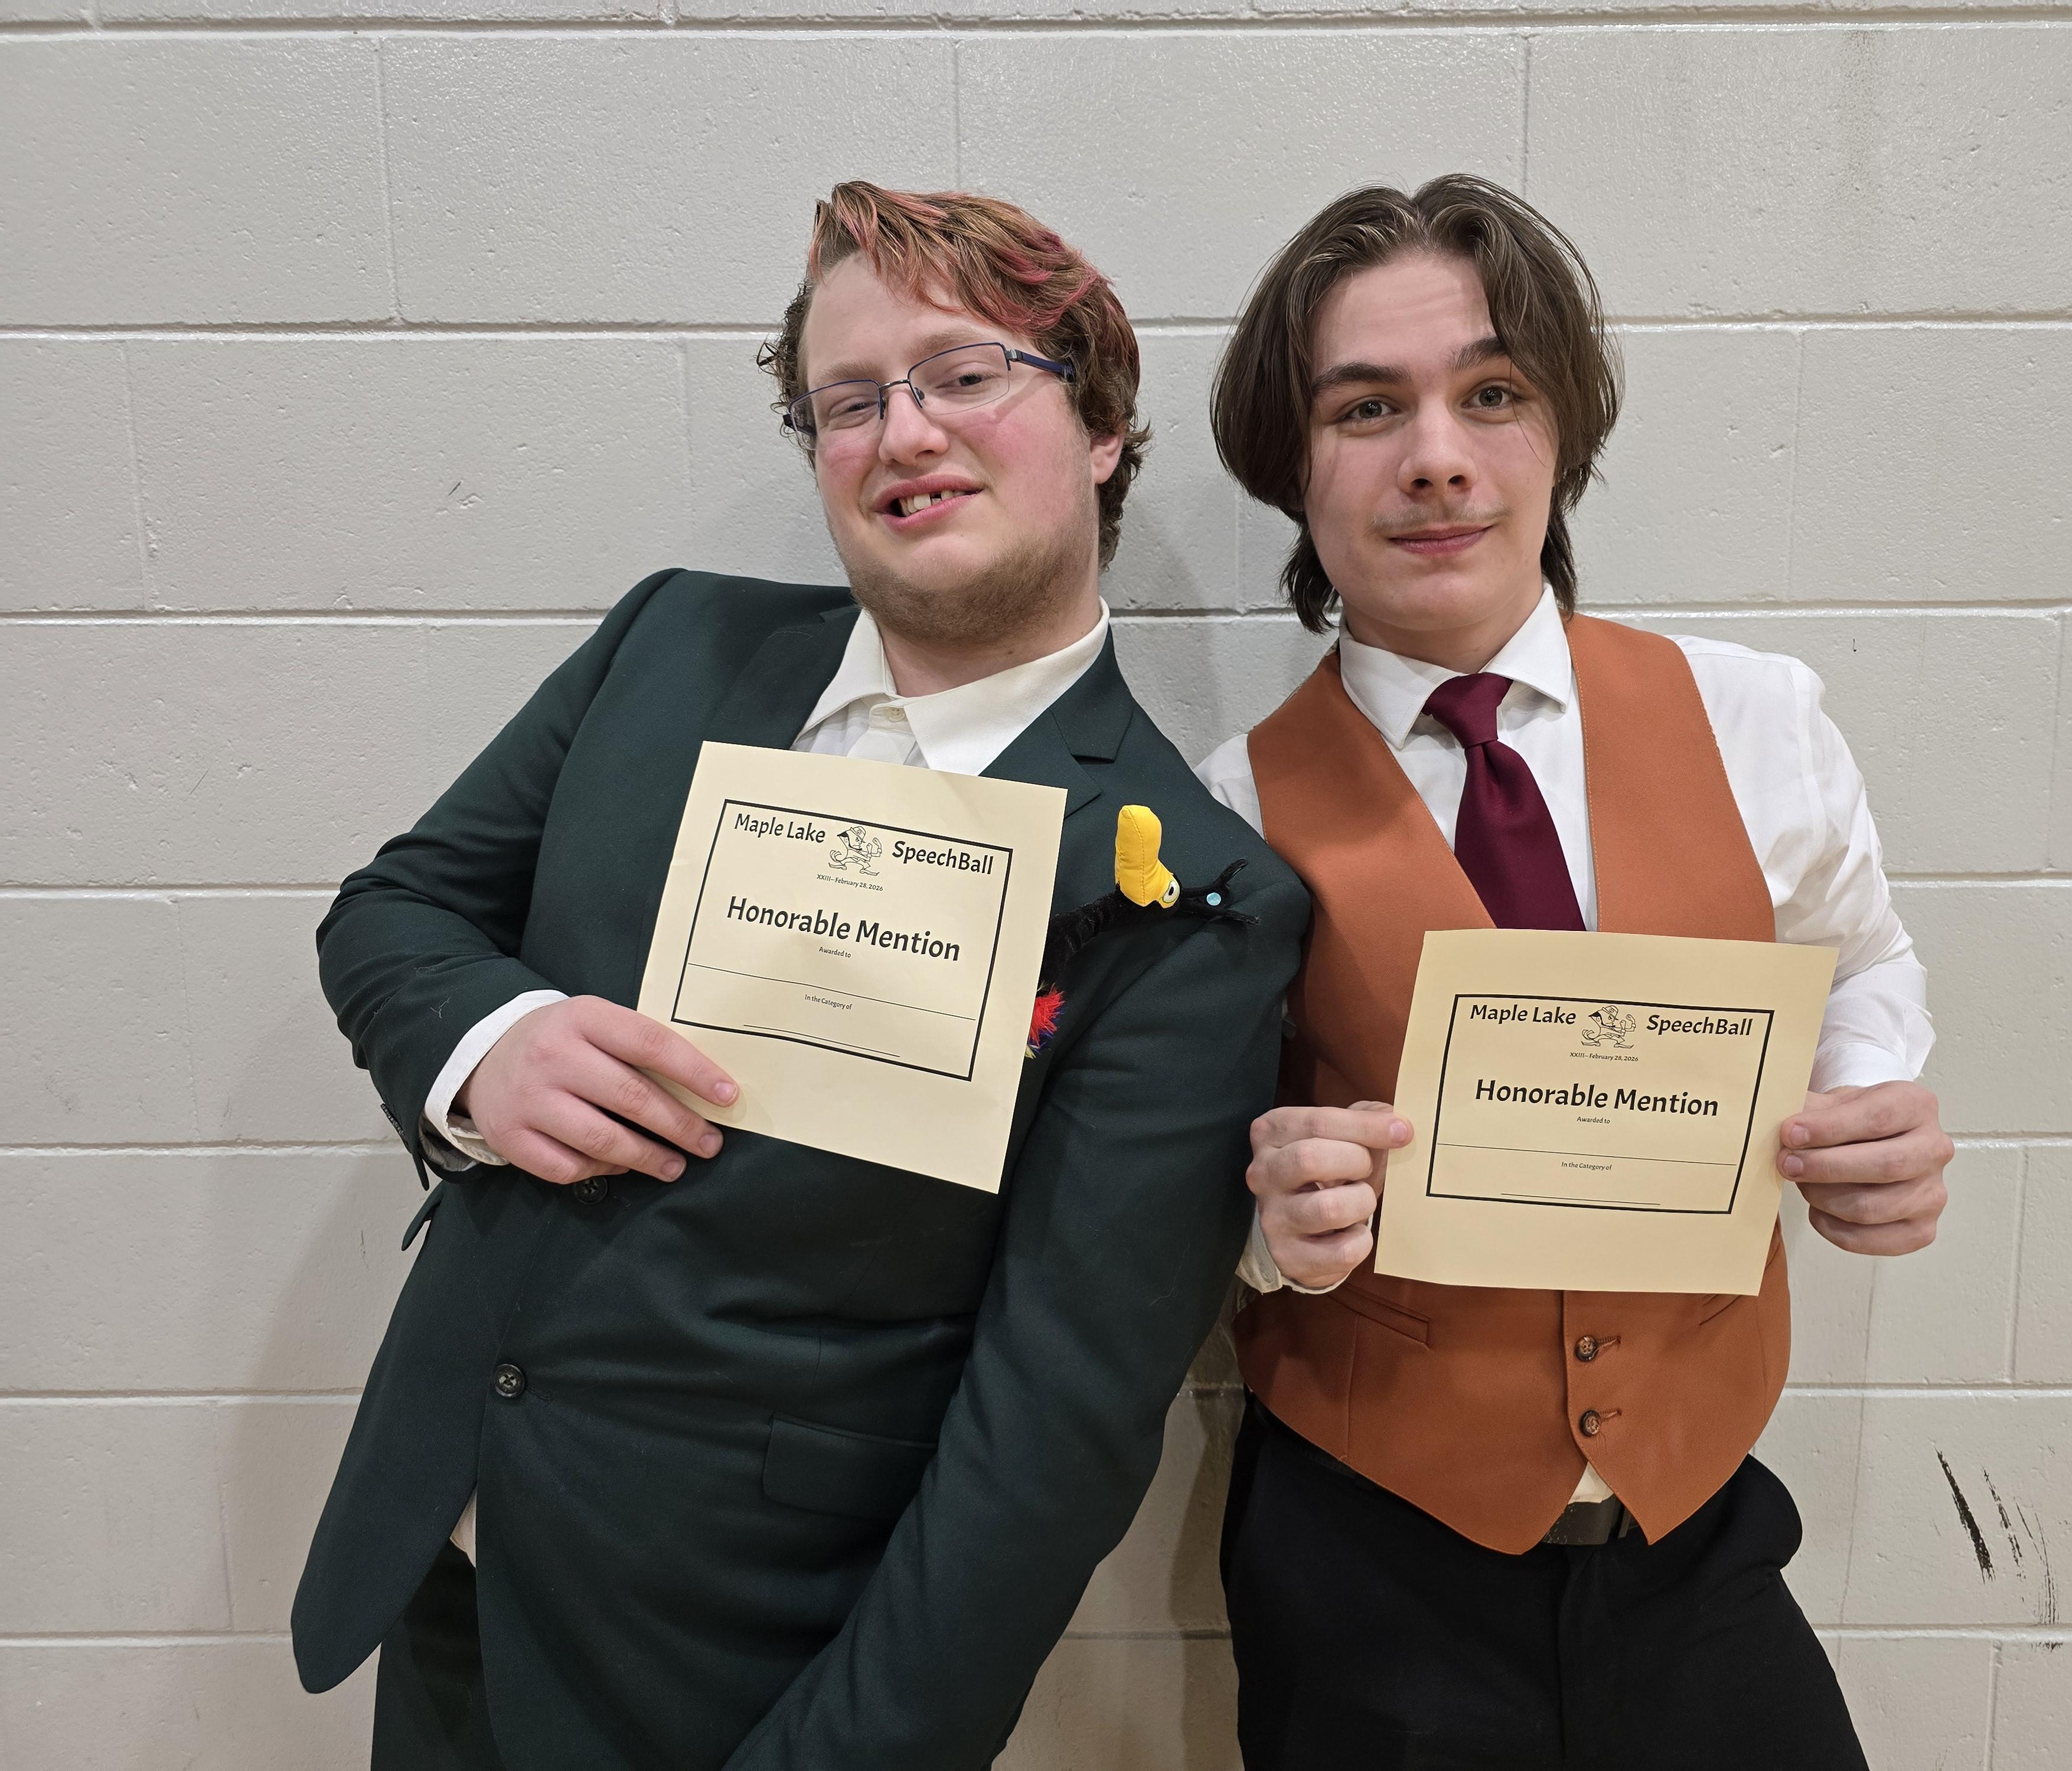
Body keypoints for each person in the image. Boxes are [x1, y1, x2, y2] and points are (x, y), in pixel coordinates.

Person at [291, 181, 1306, 1771]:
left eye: (964, 374)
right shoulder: (670, 645)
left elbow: (1047, 1441)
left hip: (735, 1662)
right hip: (446, 1565)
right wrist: (490, 1042)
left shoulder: (1191, 894)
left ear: (1105, 426)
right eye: (849, 399)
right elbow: (398, 908)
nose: (903, 432)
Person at [1196, 175, 1954, 1768]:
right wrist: (1266, 1233)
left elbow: (1861, 962)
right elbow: (1172, 1191)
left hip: (1701, 1534)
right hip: (1368, 1564)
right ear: (1294, 463)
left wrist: (1867, 1098)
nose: (1437, 456)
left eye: (1492, 393)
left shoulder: (1757, 719)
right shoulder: (1226, 811)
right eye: (1365, 408)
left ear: (1564, 432)